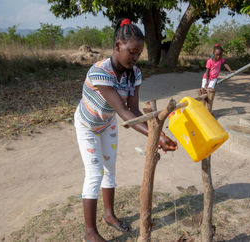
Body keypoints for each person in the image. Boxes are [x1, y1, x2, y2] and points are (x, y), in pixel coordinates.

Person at [74, 18, 178, 242]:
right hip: (87, 125)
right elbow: (123, 112)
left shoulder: (134, 74)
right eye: (132, 52)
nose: (136, 57)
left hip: (107, 123)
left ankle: (109, 215)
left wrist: (158, 135)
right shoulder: (99, 73)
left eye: (139, 53)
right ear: (117, 46)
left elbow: (134, 110)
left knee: (110, 170)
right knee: (94, 174)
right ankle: (90, 233)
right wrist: (156, 136)